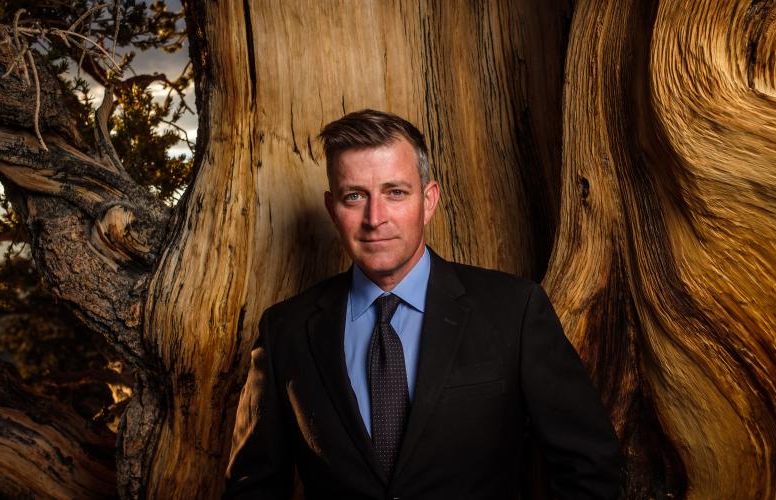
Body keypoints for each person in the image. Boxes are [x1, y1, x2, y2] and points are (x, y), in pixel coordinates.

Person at [225, 109, 623, 499]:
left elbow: (590, 467)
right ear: (333, 209)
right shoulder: (285, 330)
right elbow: (252, 487)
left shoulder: (514, 310)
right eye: (354, 197)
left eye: (395, 192)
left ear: (429, 200)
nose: (374, 218)